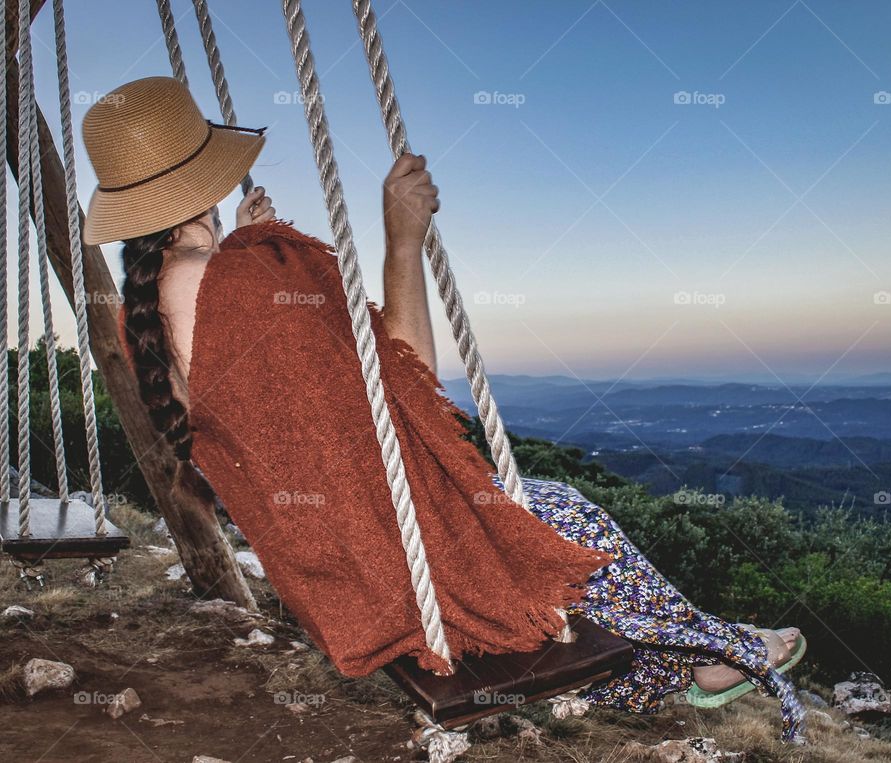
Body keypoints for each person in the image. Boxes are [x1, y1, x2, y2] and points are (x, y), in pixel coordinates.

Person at [82, 76, 806, 742]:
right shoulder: (235, 281)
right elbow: (405, 378)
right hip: (384, 559)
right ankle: (723, 650)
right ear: (202, 174)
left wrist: (245, 244)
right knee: (566, 520)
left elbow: (264, 404)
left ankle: (703, 658)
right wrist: (403, 239)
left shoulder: (144, 307)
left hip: (322, 559)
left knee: (553, 520)